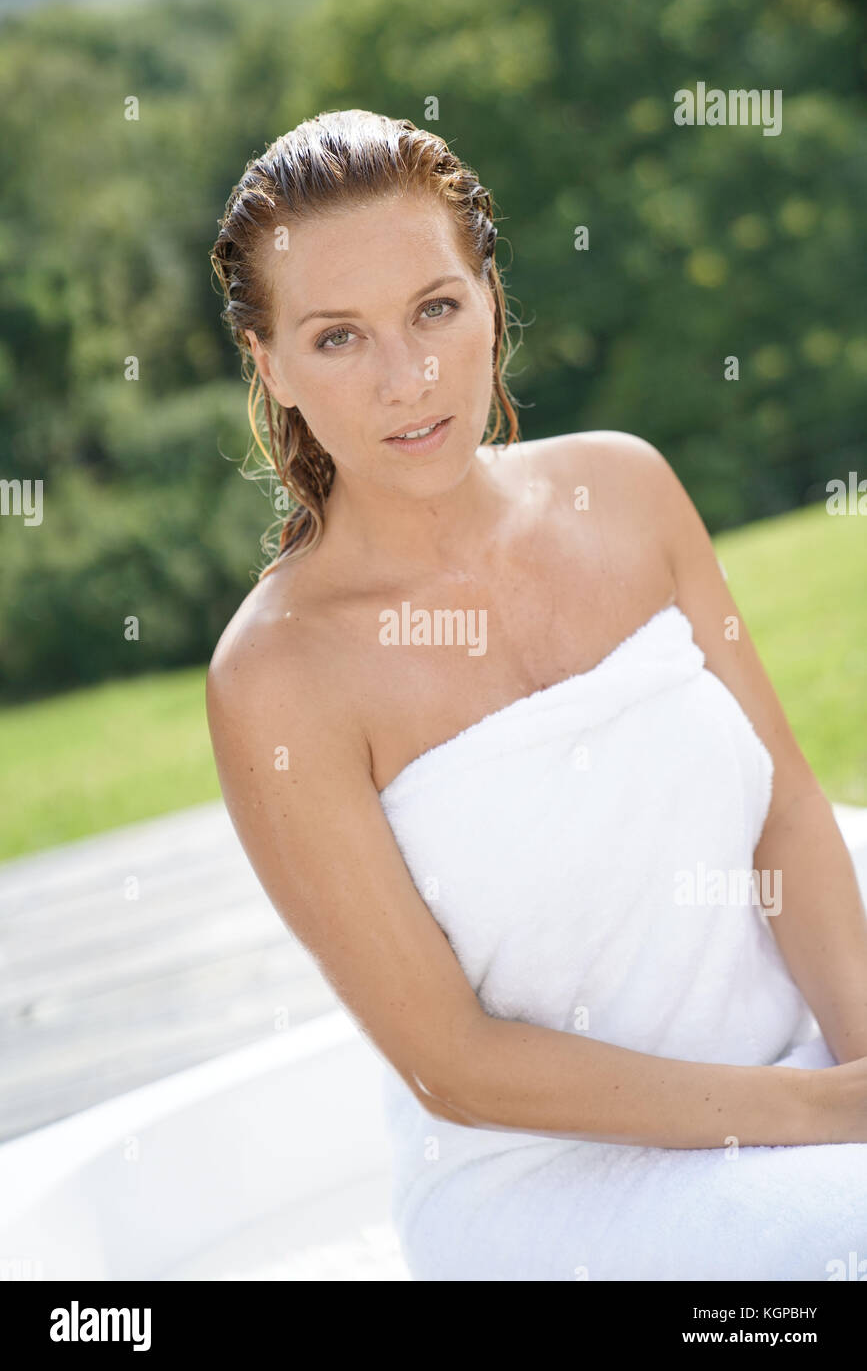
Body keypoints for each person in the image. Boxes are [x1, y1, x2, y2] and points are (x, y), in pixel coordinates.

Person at [206, 109, 867, 1281]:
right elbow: (453, 1060)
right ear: (270, 364)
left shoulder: (627, 490)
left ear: (491, 298)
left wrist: (858, 1067)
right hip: (551, 1179)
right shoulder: (278, 678)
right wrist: (821, 1117)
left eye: (435, 309)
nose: (408, 379)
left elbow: (786, 810)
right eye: (337, 337)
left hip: (804, 1079)